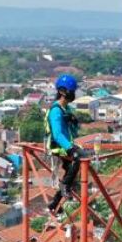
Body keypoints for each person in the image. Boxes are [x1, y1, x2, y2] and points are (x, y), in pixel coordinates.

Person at [46, 74, 83, 214]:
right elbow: (57, 134)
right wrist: (71, 148)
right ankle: (65, 187)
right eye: (71, 91)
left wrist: (73, 122)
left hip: (66, 144)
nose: (72, 94)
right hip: (58, 146)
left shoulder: (66, 110)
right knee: (80, 158)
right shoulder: (56, 110)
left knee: (70, 173)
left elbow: (72, 131)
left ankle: (55, 203)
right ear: (62, 91)